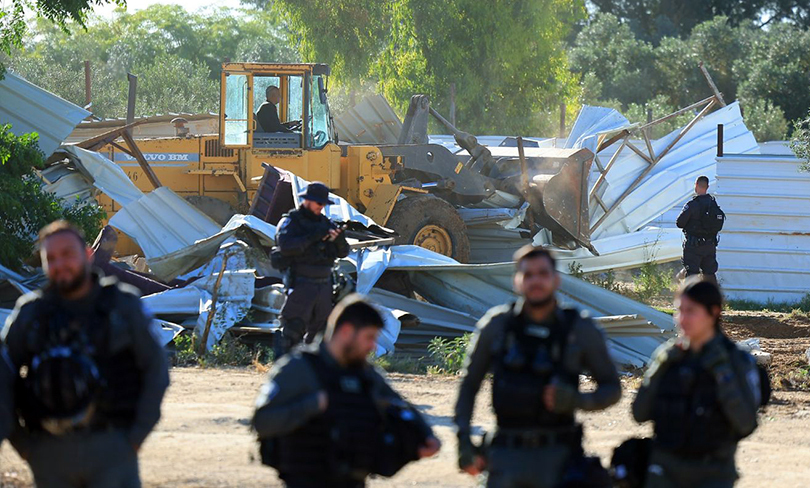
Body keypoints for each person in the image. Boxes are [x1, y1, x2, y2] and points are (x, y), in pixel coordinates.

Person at [1, 221, 170, 488]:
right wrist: (23, 445)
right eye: (51, 259)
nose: (60, 264)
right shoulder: (31, 313)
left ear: (88, 255)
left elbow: (156, 370)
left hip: (111, 449)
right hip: (49, 454)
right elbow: (3, 377)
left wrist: (136, 436)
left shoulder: (122, 306)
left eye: (68, 254)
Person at [454, 245, 621, 488]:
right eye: (528, 275)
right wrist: (463, 440)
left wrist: (576, 400)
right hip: (505, 457)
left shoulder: (580, 329)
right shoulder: (497, 326)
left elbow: (612, 388)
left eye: (543, 274)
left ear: (556, 280)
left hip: (558, 457)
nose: (536, 281)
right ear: (517, 282)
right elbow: (469, 385)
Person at [253, 294, 441, 488]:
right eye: (369, 337)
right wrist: (312, 405)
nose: (373, 346)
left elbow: (400, 405)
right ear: (346, 331)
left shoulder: (365, 375)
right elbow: (262, 421)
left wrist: (426, 435)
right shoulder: (299, 368)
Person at [632, 277, 762, 488]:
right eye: (679, 310)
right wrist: (660, 367)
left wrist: (722, 375)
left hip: (712, 474)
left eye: (691, 311)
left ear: (714, 312)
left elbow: (746, 423)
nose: (682, 319)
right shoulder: (667, 356)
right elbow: (639, 413)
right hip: (664, 472)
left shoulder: (735, 361)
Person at [275, 182, 349, 350]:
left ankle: (313, 371)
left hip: (324, 285)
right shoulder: (291, 222)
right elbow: (286, 246)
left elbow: (343, 253)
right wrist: (313, 237)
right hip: (301, 282)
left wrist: (339, 240)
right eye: (318, 203)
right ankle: (287, 371)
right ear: (307, 200)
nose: (321, 207)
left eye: (323, 204)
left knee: (322, 334)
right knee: (292, 330)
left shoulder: (326, 223)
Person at [676, 175, 726, 285]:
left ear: (696, 186)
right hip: (710, 245)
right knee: (709, 274)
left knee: (692, 275)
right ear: (707, 187)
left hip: (694, 246)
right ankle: (712, 299)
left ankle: (692, 300)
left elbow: (679, 223)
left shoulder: (692, 205)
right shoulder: (713, 205)